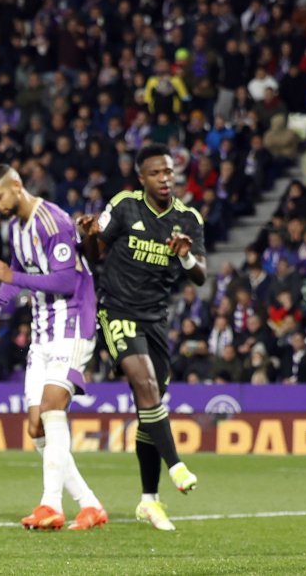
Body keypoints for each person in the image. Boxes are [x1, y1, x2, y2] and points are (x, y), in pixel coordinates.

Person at [0, 164, 108, 531]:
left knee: (51, 408)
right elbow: (18, 274)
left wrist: (12, 277)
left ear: (16, 186)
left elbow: (65, 280)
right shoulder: (15, 227)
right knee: (35, 427)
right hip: (43, 330)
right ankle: (90, 505)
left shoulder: (54, 222)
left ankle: (50, 505)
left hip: (73, 322)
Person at [77, 143, 205, 531]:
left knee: (150, 409)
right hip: (117, 310)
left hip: (156, 321)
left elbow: (199, 275)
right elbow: (95, 253)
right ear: (142, 178)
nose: (165, 179)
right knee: (146, 384)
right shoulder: (125, 206)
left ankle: (149, 501)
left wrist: (184, 255)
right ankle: (177, 466)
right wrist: (86, 236)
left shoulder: (188, 218)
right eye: (156, 173)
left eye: (169, 172)